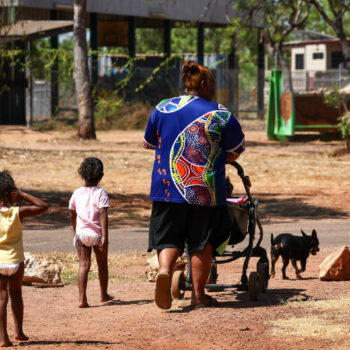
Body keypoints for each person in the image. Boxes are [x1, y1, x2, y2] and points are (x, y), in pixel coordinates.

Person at [143, 60, 245, 309]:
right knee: (202, 242)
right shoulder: (220, 113)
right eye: (212, 83)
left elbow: (151, 143)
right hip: (204, 192)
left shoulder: (162, 108)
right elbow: (234, 152)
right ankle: (198, 296)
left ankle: (165, 270)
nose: (214, 88)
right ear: (203, 84)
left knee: (168, 236)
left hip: (166, 188)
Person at [0, 170, 48, 347]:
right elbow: (43, 206)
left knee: (1, 298)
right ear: (12, 192)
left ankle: (3, 338)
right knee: (16, 294)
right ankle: (19, 332)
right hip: (15, 261)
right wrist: (23, 194)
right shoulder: (17, 212)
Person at [69, 157, 113, 308]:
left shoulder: (77, 193)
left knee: (83, 265)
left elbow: (72, 214)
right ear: (101, 175)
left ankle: (82, 299)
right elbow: (103, 214)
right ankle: (103, 294)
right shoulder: (101, 193)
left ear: (81, 173)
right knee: (102, 265)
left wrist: (76, 230)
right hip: (97, 235)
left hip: (81, 235)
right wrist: (105, 237)